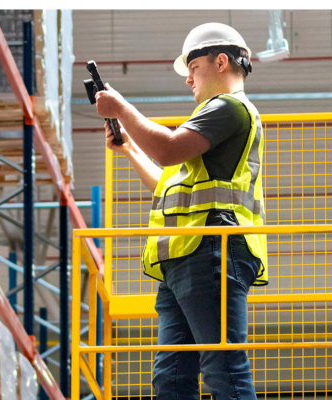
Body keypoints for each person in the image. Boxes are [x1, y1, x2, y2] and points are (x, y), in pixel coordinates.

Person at [94, 23, 268, 399]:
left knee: (224, 370)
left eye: (193, 68)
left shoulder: (228, 108)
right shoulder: (212, 124)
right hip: (186, 255)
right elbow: (166, 184)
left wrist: (121, 108)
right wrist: (128, 149)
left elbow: (168, 149)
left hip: (213, 251)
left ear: (220, 61)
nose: (188, 79)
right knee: (171, 377)